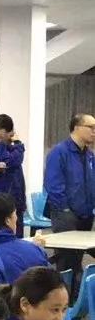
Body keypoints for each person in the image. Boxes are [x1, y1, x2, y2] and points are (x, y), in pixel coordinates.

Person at [43, 112, 95, 285]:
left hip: (85, 215)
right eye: (91, 127)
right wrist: (65, 210)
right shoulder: (59, 152)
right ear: (76, 127)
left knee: (78, 260)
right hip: (65, 215)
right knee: (67, 262)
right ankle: (63, 296)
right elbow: (53, 185)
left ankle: (76, 295)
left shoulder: (89, 155)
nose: (94, 131)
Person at [0, 192, 49, 281]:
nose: (17, 218)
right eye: (15, 214)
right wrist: (36, 248)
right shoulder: (35, 251)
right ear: (7, 220)